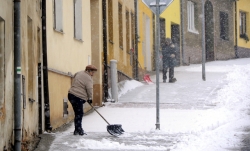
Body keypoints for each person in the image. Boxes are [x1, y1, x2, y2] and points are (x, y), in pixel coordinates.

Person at [68, 65, 97, 135]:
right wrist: (90, 98)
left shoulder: (79, 73)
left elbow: (74, 75)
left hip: (71, 95)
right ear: (88, 71)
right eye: (92, 72)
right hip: (77, 96)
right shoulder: (88, 78)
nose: (93, 74)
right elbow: (90, 89)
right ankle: (79, 130)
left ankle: (77, 129)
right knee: (79, 113)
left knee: (78, 113)